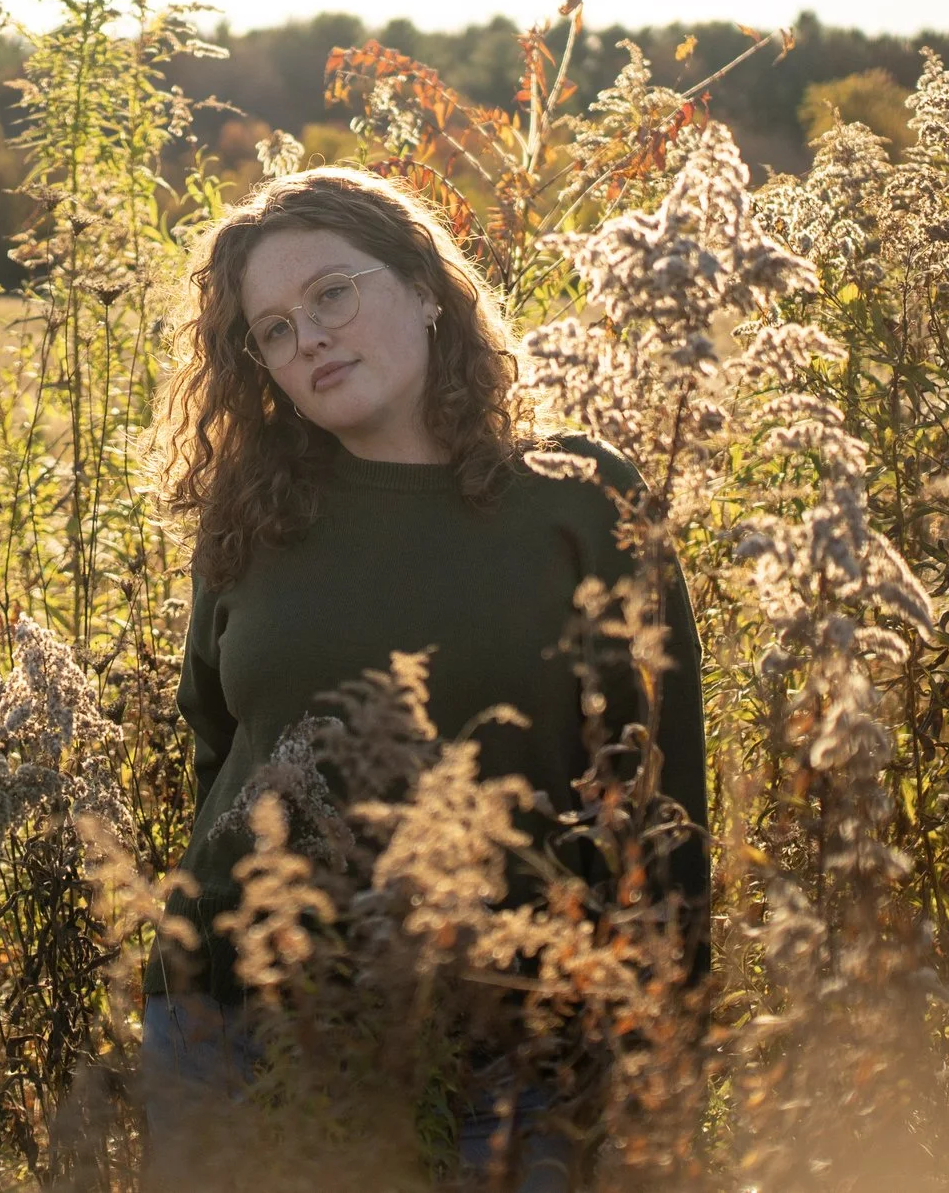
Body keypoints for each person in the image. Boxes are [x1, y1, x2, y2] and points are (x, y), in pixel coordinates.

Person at [139, 167, 710, 1191]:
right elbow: (216, 761)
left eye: (331, 294)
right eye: (270, 329)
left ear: (423, 286)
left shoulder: (579, 500)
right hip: (238, 1029)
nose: (305, 337)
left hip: (514, 1036)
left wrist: (665, 1035)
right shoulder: (250, 523)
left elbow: (666, 793)